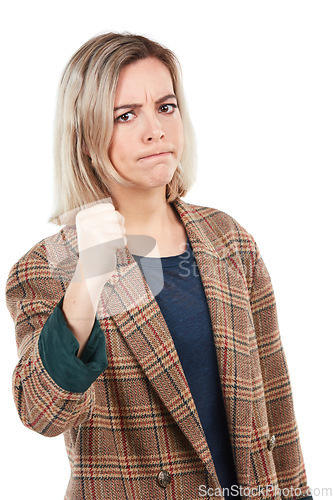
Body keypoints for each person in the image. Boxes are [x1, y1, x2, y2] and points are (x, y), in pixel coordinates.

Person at [6, 32, 313, 500]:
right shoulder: (46, 268)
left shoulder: (228, 240)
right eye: (125, 115)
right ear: (85, 139)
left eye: (165, 107)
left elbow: (275, 402)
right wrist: (88, 276)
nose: (156, 130)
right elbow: (42, 413)